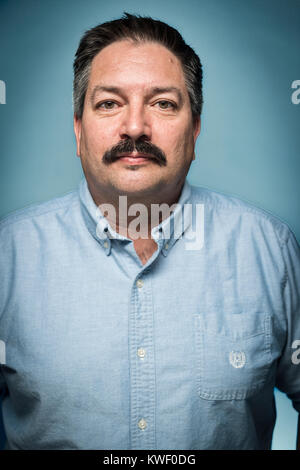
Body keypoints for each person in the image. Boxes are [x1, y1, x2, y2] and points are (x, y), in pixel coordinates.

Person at [0, 13, 299, 451]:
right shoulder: (9, 256)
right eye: (108, 103)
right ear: (78, 130)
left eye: (163, 103)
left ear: (195, 130)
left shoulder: (269, 249)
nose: (136, 127)